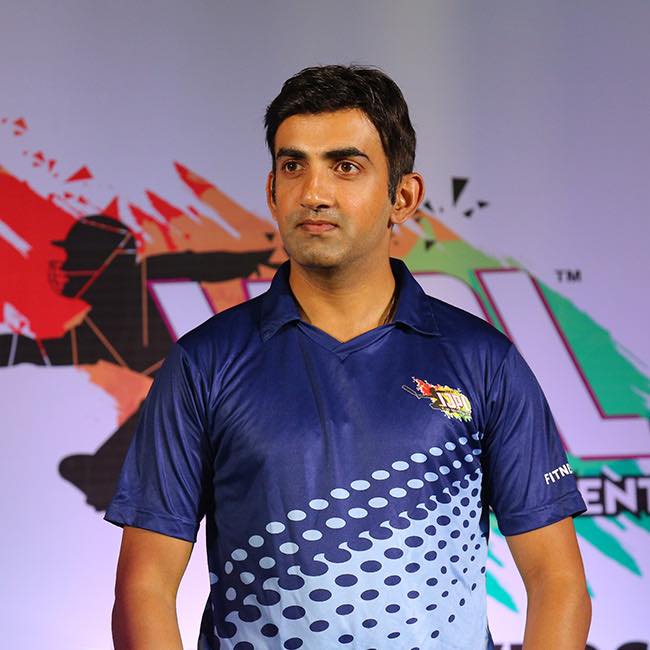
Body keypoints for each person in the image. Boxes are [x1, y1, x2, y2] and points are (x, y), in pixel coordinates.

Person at [106, 65, 591, 649]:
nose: (314, 193)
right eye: (294, 166)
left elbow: (558, 582)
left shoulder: (484, 361)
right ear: (271, 190)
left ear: (402, 197)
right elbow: (145, 588)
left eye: (345, 166)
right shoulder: (202, 364)